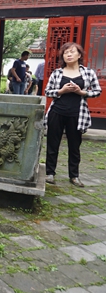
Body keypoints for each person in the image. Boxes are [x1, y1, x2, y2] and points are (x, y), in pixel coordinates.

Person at [44, 42, 101, 187]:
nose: (68, 55)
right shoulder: (57, 73)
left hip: (77, 114)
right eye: (65, 53)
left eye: (72, 52)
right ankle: (50, 173)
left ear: (79, 55)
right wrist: (61, 91)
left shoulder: (88, 73)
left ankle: (74, 176)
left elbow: (97, 91)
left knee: (75, 146)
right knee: (52, 144)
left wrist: (81, 92)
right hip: (57, 112)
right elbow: (47, 91)